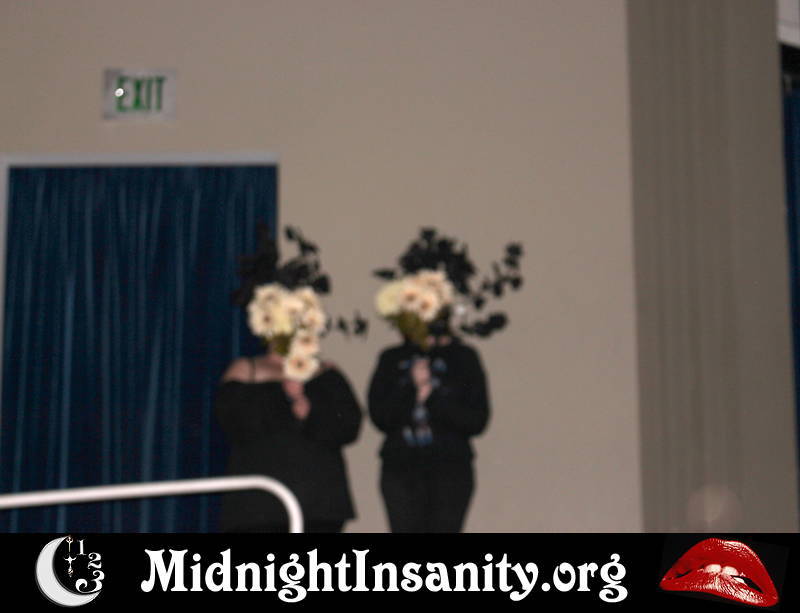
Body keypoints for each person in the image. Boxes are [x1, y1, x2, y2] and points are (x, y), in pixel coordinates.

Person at [215, 348, 361, 533]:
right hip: (259, 507)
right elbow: (232, 422)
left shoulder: (326, 371)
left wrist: (308, 411)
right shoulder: (245, 370)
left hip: (319, 505)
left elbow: (349, 427)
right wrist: (284, 398)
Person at [368, 332, 489, 533]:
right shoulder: (392, 358)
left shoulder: (463, 357)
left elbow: (476, 420)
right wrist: (411, 388)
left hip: (449, 468)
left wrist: (432, 397)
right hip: (401, 468)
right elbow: (380, 416)